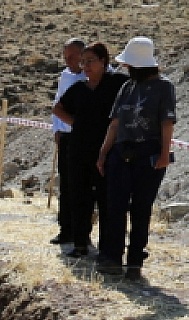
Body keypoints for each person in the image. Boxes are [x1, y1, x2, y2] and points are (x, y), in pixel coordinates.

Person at [96, 37, 177, 279]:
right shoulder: (127, 88)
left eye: (131, 65)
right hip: (121, 153)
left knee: (141, 208)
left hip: (148, 154)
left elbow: (167, 122)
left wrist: (164, 154)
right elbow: (115, 123)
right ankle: (112, 257)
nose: (127, 69)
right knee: (115, 207)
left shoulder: (164, 87)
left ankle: (134, 261)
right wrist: (103, 153)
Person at [53, 42, 125, 258]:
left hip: (108, 151)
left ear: (103, 61)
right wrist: (78, 124)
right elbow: (57, 108)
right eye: (83, 62)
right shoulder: (78, 88)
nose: (85, 66)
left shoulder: (117, 83)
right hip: (79, 151)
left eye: (90, 61)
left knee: (106, 199)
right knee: (79, 197)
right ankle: (80, 243)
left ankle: (107, 249)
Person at [50, 37, 88, 246]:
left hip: (85, 138)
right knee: (66, 187)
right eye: (65, 57)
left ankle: (83, 234)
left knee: (83, 187)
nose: (68, 61)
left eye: (72, 56)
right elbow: (57, 105)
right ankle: (65, 230)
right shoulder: (65, 76)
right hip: (66, 137)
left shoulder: (92, 77)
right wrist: (56, 129)